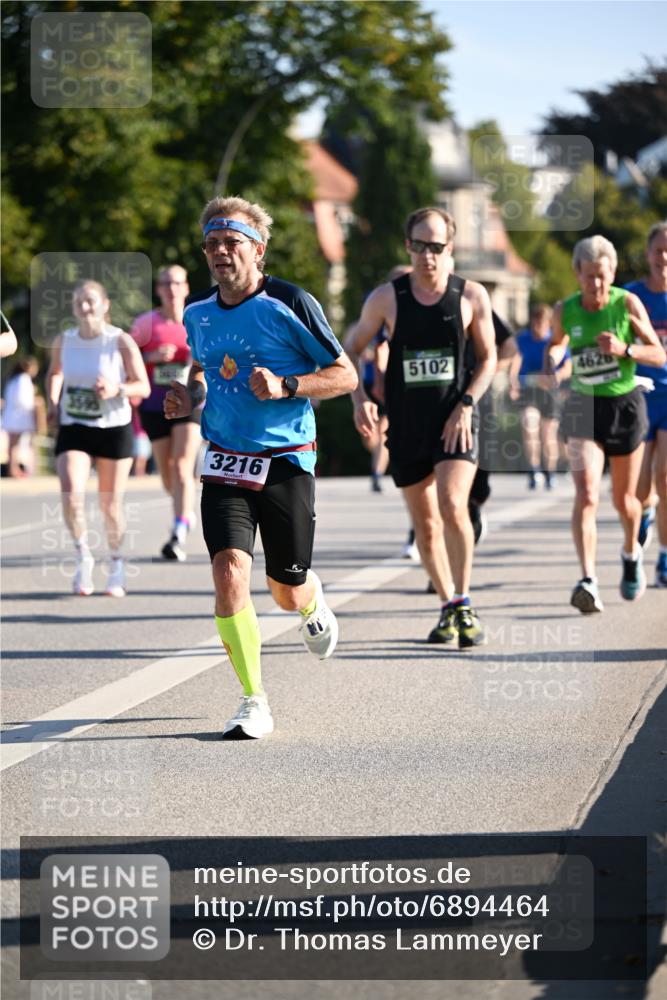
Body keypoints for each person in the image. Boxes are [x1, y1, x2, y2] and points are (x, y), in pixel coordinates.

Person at [164, 196, 357, 740]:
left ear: (258, 250)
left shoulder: (288, 302)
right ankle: (254, 699)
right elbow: (204, 370)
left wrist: (288, 385)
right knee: (229, 573)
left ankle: (311, 599)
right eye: (212, 244)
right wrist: (189, 396)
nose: (220, 252)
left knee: (285, 590)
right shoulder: (197, 310)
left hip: (284, 460)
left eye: (232, 242)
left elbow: (345, 376)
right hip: (224, 460)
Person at [346, 206, 497, 648]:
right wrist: (361, 401)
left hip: (456, 420)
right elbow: (349, 350)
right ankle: (448, 604)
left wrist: (467, 404)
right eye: (419, 246)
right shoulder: (386, 298)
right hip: (408, 426)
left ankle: (464, 599)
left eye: (437, 247)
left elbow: (488, 359)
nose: (428, 256)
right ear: (408, 247)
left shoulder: (471, 296)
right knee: (425, 525)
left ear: (450, 249)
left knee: (453, 504)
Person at [546, 235, 665, 613]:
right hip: (583, 405)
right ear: (576, 274)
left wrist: (625, 350)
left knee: (625, 501)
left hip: (625, 406)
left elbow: (659, 355)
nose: (596, 284)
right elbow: (556, 342)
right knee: (586, 493)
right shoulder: (566, 310)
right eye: (588, 276)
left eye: (602, 276)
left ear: (611, 273)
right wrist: (553, 358)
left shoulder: (626, 303)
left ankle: (631, 553)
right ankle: (588, 579)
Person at [45, 280, 150, 597]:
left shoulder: (119, 340)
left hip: (113, 427)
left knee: (109, 505)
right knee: (71, 493)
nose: (84, 306)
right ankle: (83, 556)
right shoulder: (65, 340)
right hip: (75, 424)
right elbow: (55, 373)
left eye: (90, 300)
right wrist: (53, 403)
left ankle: (116, 563)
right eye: (78, 302)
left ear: (105, 305)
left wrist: (117, 388)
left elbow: (142, 387)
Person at [130, 265, 200, 561]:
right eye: (166, 283)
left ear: (186, 288)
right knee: (168, 474)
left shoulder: (197, 319)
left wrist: (195, 362)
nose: (172, 289)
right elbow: (125, 357)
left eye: (177, 283)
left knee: (183, 466)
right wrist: (151, 357)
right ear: (159, 289)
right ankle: (183, 508)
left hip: (190, 402)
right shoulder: (146, 323)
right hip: (154, 405)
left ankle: (178, 529)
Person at [625, 221, 667, 586]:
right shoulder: (630, 297)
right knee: (640, 488)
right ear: (647, 253)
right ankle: (647, 512)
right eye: (658, 250)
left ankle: (665, 557)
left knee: (666, 478)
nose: (664, 258)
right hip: (638, 394)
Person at [508, 304, 571, 490]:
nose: (537, 328)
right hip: (528, 391)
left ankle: (549, 472)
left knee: (548, 435)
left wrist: (558, 376)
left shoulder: (554, 340)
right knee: (529, 425)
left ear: (548, 324)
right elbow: (515, 360)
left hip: (549, 393)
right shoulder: (523, 339)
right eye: (535, 323)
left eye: (542, 324)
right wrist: (513, 383)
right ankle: (534, 470)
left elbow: (567, 365)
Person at [2, 356, 40, 476]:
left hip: (12, 418)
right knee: (15, 446)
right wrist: (34, 401)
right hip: (18, 419)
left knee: (13, 446)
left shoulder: (13, 379)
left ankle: (13, 469)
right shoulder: (23, 379)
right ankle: (14, 470)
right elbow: (23, 400)